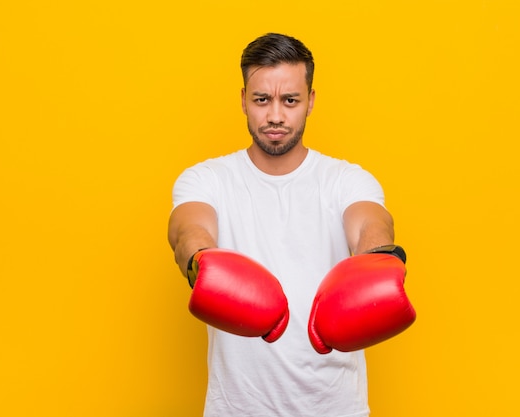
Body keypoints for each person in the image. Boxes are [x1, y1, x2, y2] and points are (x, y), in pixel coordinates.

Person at [168, 33, 416, 417]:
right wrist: (202, 263)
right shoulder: (207, 179)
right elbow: (188, 229)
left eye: (291, 101)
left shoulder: (346, 180)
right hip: (237, 409)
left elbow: (370, 223)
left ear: (311, 101)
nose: (276, 117)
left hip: (336, 409)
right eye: (262, 100)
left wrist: (378, 262)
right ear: (243, 100)